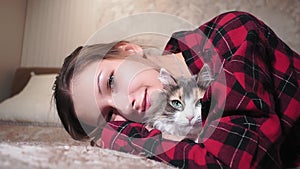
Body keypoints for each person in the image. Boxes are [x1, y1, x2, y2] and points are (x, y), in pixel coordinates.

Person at [54, 11, 300, 169]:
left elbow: (232, 163)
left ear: (129, 50)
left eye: (110, 82)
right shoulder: (161, 127)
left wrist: (122, 139)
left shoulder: (228, 37)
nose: (125, 106)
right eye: (109, 117)